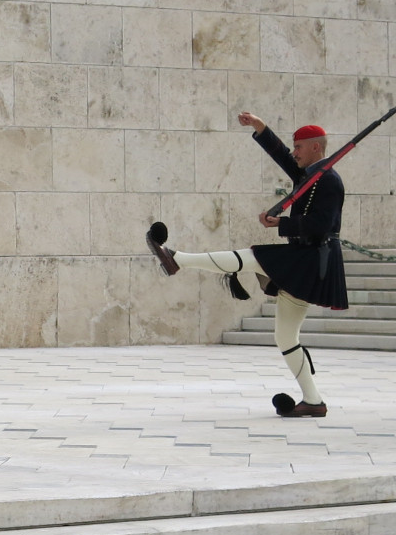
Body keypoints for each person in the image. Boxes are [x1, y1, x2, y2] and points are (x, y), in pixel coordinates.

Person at [145, 112, 348, 418]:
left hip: (314, 259)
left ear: (316, 148)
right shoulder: (309, 176)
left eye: (300, 147)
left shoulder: (329, 181)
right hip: (306, 259)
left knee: (254, 257)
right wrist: (260, 127)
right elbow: (281, 156)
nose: (294, 152)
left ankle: (178, 259)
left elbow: (322, 225)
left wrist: (281, 223)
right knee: (285, 337)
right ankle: (313, 400)